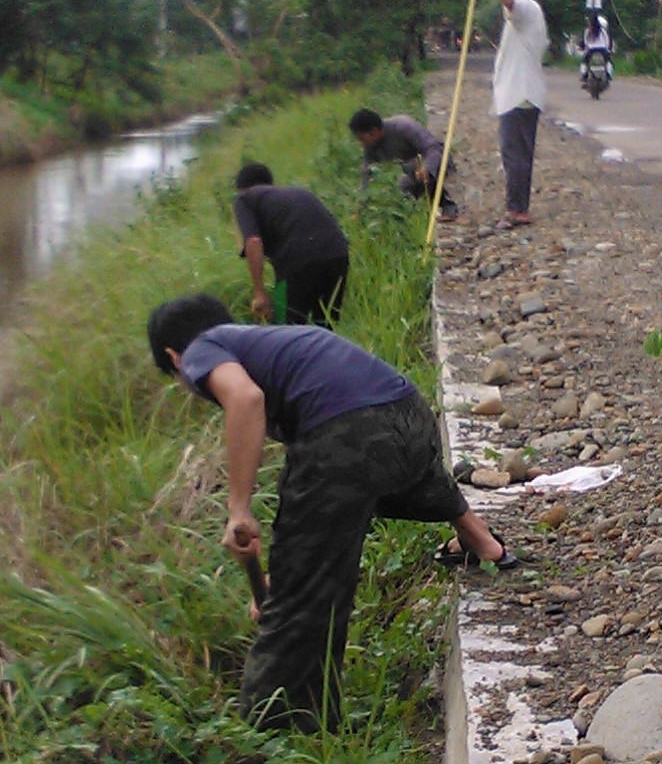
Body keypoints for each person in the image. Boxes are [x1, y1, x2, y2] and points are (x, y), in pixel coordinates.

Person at [148, 294, 511, 728]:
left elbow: (245, 400)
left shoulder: (199, 351)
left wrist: (239, 510)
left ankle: (281, 731)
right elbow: (327, 502)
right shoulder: (270, 343)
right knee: (357, 501)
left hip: (351, 437)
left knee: (299, 605)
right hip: (411, 423)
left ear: (173, 356)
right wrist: (282, 575)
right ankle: (482, 541)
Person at [476, 0, 549, 225]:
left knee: (515, 155)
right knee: (516, 154)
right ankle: (517, 207)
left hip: (521, 95)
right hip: (519, 95)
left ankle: (517, 210)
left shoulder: (525, 8)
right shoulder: (522, 16)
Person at [231, 160, 351, 325]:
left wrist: (259, 293)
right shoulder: (295, 194)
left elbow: (253, 241)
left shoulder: (244, 199)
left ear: (240, 189)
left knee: (290, 332)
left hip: (301, 261)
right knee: (325, 328)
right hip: (338, 254)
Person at [349, 106, 455, 214]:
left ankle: (447, 203)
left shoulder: (403, 127)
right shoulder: (370, 145)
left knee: (412, 170)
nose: (361, 143)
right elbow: (367, 174)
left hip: (433, 162)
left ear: (374, 131)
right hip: (407, 171)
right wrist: (360, 206)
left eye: (362, 139)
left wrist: (427, 168)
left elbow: (434, 147)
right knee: (396, 187)